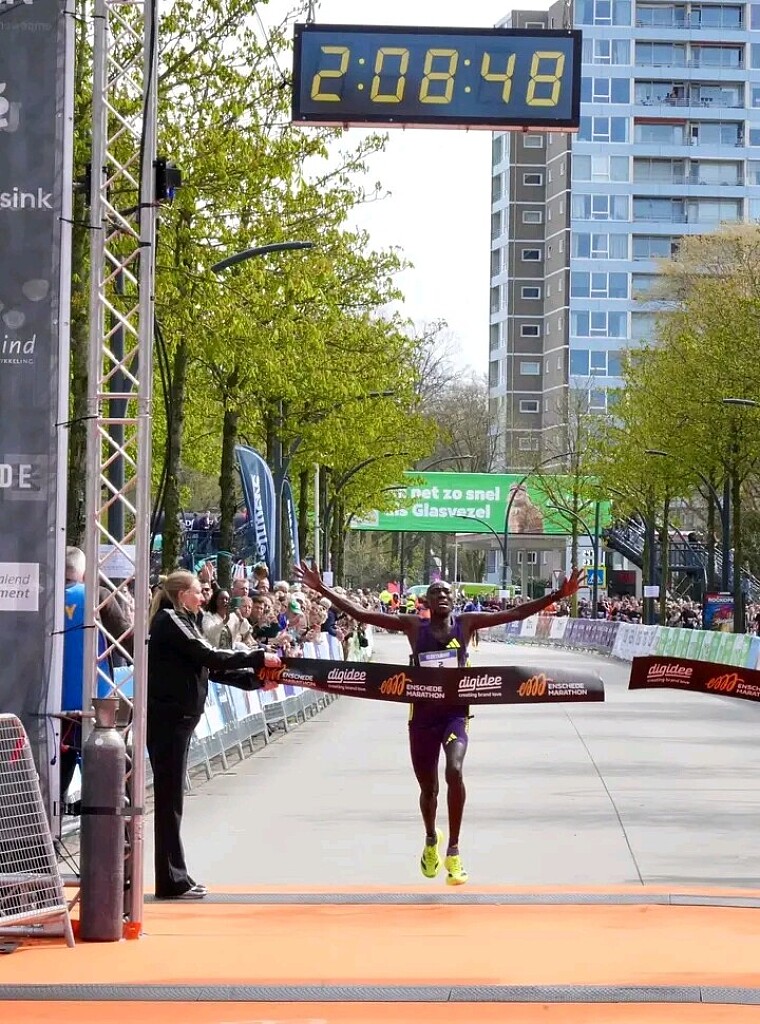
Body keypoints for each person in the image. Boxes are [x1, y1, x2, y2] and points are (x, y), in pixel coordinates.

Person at [293, 561, 584, 886]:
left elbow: (514, 613)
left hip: (454, 715)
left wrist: (558, 595)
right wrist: (321, 588)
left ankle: (454, 851)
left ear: (453, 600)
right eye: (436, 592)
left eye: (446, 592)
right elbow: (362, 614)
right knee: (428, 789)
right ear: (427, 602)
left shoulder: (467, 624)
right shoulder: (414, 627)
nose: (442, 596)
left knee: (454, 771)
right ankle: (431, 838)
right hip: (422, 718)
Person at [147, 570, 280, 900]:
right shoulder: (170, 620)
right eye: (198, 591)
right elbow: (208, 655)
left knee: (172, 799)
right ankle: (171, 879)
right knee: (169, 800)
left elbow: (209, 669)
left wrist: (254, 680)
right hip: (169, 718)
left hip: (181, 718)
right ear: (182, 594)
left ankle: (174, 876)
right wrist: (256, 656)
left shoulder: (187, 621)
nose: (203, 597)